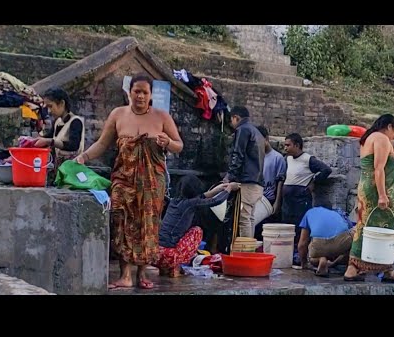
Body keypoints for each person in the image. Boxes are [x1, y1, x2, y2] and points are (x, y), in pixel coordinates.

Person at [75, 73, 183, 290]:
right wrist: (83, 157)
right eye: (137, 91)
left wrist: (168, 141)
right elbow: (103, 143)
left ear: (151, 95)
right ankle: (125, 274)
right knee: (121, 222)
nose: (140, 96)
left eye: (145, 92)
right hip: (123, 178)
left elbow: (179, 145)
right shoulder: (118, 114)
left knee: (147, 225)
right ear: (130, 92)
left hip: (152, 182)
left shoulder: (161, 117)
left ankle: (142, 273)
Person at [343, 114, 394, 282]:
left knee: (363, 226)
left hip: (367, 188)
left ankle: (353, 268)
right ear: (389, 127)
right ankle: (388, 270)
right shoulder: (380, 138)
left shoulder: (369, 138)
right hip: (376, 191)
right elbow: (378, 169)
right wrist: (382, 195)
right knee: (389, 228)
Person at [154, 175, 240, 277]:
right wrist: (229, 189)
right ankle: (175, 266)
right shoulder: (191, 204)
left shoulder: (174, 201)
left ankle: (166, 268)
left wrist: (219, 189)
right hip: (169, 256)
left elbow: (202, 197)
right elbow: (215, 201)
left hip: (156, 255)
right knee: (197, 231)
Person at [281, 133, 332, 245]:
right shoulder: (288, 159)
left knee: (300, 226)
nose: (285, 148)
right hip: (287, 201)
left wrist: (314, 182)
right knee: (287, 227)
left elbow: (326, 170)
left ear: (297, 145)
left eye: (288, 145)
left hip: (300, 199)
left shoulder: (308, 159)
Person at [224, 106, 265, 238]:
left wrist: (229, 176)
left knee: (244, 219)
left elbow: (238, 154)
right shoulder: (257, 132)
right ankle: (249, 250)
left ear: (236, 118)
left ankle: (245, 253)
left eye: (232, 120)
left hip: (247, 181)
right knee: (250, 217)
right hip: (257, 181)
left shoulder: (243, 129)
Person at [34, 88, 85, 182]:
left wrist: (50, 141)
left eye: (51, 106)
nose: (48, 111)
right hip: (59, 171)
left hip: (72, 172)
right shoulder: (57, 122)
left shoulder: (75, 122)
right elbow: (48, 137)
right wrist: (32, 140)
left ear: (62, 103)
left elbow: (73, 145)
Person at [297, 199, 355, 277]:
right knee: (352, 243)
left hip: (319, 244)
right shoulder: (336, 213)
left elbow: (302, 244)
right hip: (341, 241)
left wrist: (304, 264)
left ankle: (321, 259)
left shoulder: (309, 212)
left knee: (311, 256)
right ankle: (339, 264)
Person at [252, 125, 287, 239]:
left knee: (267, 232)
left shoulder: (278, 158)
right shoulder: (255, 156)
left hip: (269, 200)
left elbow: (280, 182)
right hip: (256, 199)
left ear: (266, 139)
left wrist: (277, 203)